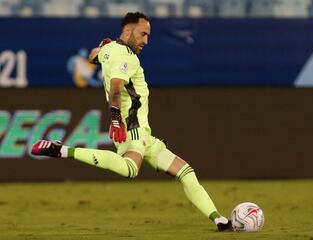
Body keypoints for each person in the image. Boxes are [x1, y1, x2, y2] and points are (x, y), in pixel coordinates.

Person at [31, 12, 233, 232]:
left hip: (144, 134)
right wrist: (117, 120)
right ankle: (62, 151)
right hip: (131, 128)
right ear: (128, 31)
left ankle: (219, 220)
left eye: (148, 35)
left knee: (185, 172)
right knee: (130, 169)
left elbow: (92, 57)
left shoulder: (110, 50)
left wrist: (102, 48)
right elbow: (116, 88)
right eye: (142, 34)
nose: (146, 40)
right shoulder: (127, 57)